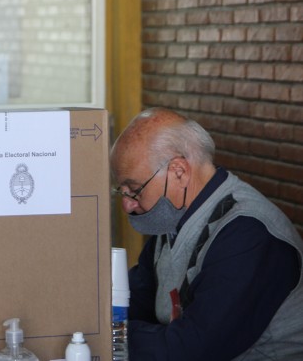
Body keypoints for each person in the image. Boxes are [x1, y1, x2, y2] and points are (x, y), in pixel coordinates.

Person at [110, 107, 303, 360]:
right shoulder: (173, 218)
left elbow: (192, 349)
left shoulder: (249, 235)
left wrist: (113, 333)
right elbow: (135, 299)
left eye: (134, 190)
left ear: (179, 172)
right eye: (122, 191)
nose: (127, 204)